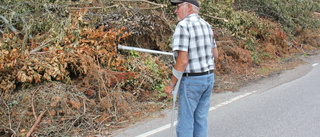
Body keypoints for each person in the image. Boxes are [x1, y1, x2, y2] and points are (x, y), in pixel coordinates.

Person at [164, 0, 219, 137]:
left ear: (188, 7)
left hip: (192, 81)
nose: (175, 11)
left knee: (185, 122)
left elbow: (182, 62)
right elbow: (215, 55)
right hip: (209, 78)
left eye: (178, 7)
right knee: (200, 119)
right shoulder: (207, 25)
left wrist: (171, 84)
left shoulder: (183, 26)